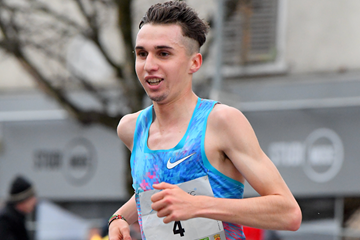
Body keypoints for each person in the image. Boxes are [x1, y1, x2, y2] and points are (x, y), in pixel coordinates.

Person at [109, 1, 302, 240]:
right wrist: (118, 218)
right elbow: (151, 192)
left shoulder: (221, 122)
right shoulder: (131, 128)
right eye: (142, 54)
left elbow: (288, 213)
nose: (149, 65)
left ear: (194, 63)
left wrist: (197, 205)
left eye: (163, 53)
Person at [0, 175, 37, 240]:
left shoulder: (17, 218)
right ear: (22, 200)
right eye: (31, 197)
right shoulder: (5, 221)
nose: (35, 201)